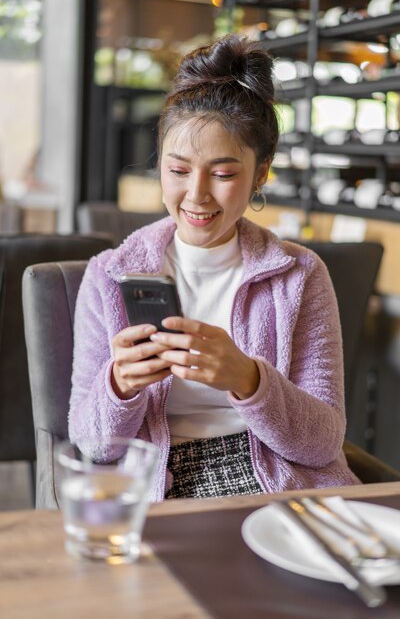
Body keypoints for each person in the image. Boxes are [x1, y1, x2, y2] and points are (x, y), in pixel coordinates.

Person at [69, 34, 360, 502]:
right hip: (158, 484)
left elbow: (323, 442)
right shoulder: (109, 276)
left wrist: (248, 379)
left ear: (261, 173)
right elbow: (92, 442)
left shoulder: (299, 275)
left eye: (223, 174)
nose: (197, 195)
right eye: (178, 170)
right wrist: (120, 385)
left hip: (279, 481)